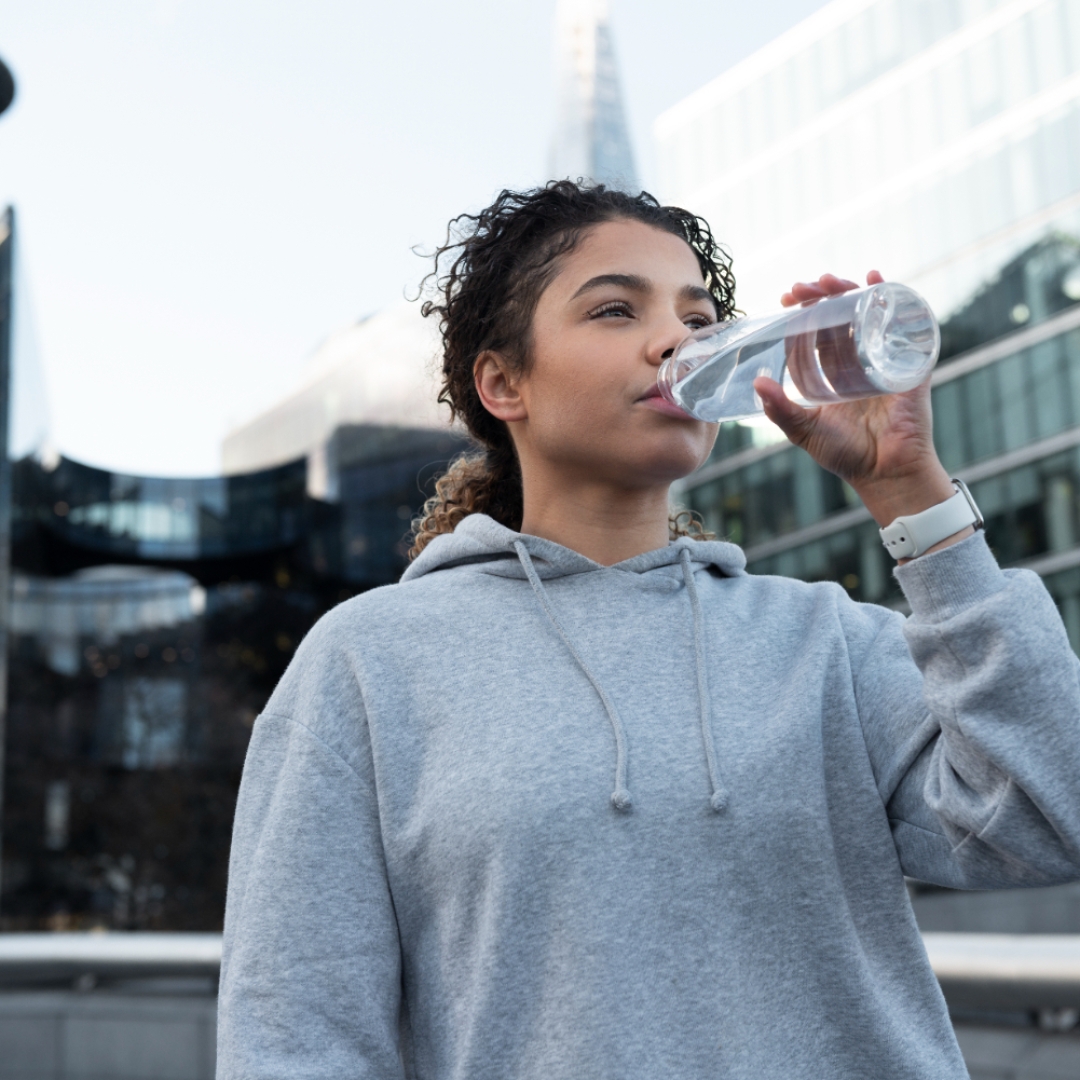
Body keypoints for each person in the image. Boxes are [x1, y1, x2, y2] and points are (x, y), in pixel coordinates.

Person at [216, 182, 1080, 1080]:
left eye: (698, 315)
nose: (677, 340)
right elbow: (295, 1035)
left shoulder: (824, 640)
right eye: (616, 309)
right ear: (502, 382)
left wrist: (912, 491)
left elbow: (1053, 817)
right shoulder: (366, 663)